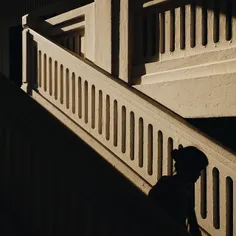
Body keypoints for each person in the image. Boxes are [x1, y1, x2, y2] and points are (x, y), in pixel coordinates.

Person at [148, 146, 208, 236]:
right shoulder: (178, 189)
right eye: (198, 170)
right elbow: (192, 223)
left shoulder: (169, 184)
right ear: (189, 168)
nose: (199, 174)